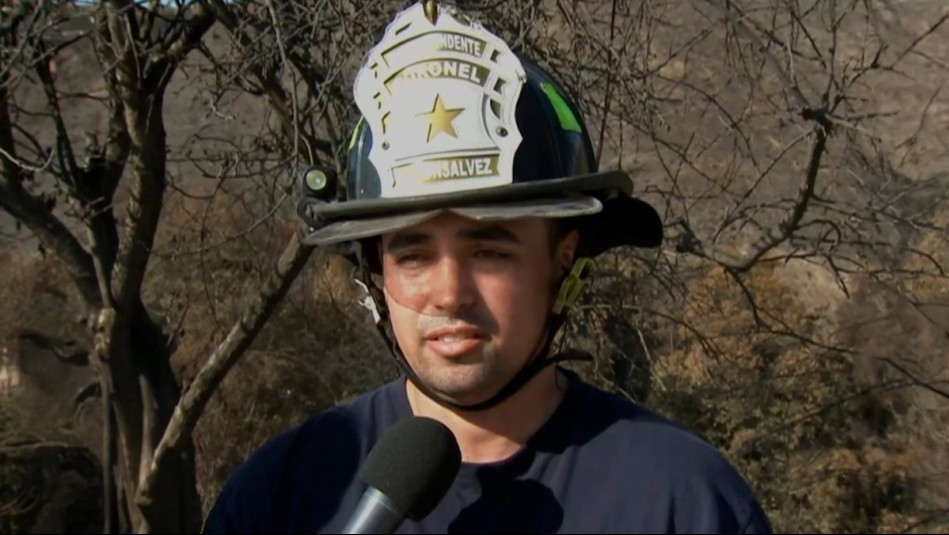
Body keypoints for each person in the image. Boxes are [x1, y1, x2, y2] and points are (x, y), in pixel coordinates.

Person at [202, 1, 774, 533]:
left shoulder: (684, 501)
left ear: (564, 258)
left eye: (490, 251)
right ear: (376, 273)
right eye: (414, 254)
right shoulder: (280, 494)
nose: (449, 294)